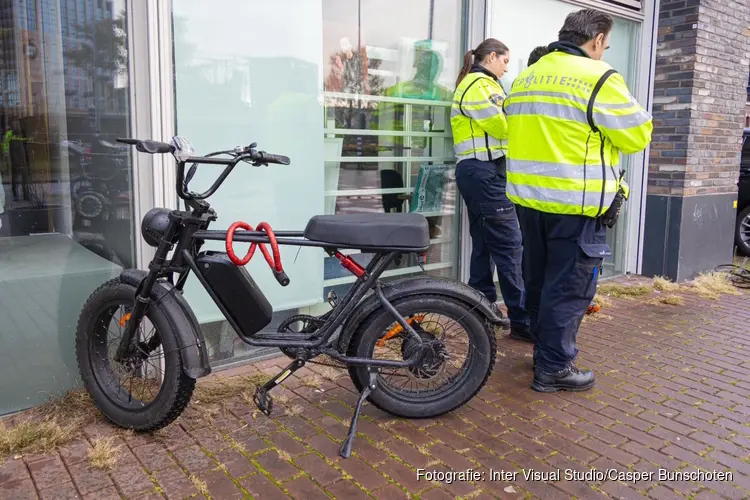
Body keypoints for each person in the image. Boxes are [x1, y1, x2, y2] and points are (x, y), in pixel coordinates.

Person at [503, 9, 653, 392]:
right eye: (606, 44)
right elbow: (637, 135)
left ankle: (543, 351)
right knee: (568, 288)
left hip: (529, 202)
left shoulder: (526, 77)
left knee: (537, 281)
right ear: (598, 40)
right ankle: (553, 368)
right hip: (577, 204)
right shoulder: (598, 77)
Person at [450, 38, 531, 340]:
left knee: (484, 243)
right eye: (506, 61)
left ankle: (480, 311)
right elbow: (503, 127)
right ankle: (523, 322)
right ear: (492, 57)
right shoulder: (479, 85)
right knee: (510, 245)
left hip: (481, 172)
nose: (507, 68)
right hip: (483, 171)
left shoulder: (483, 85)